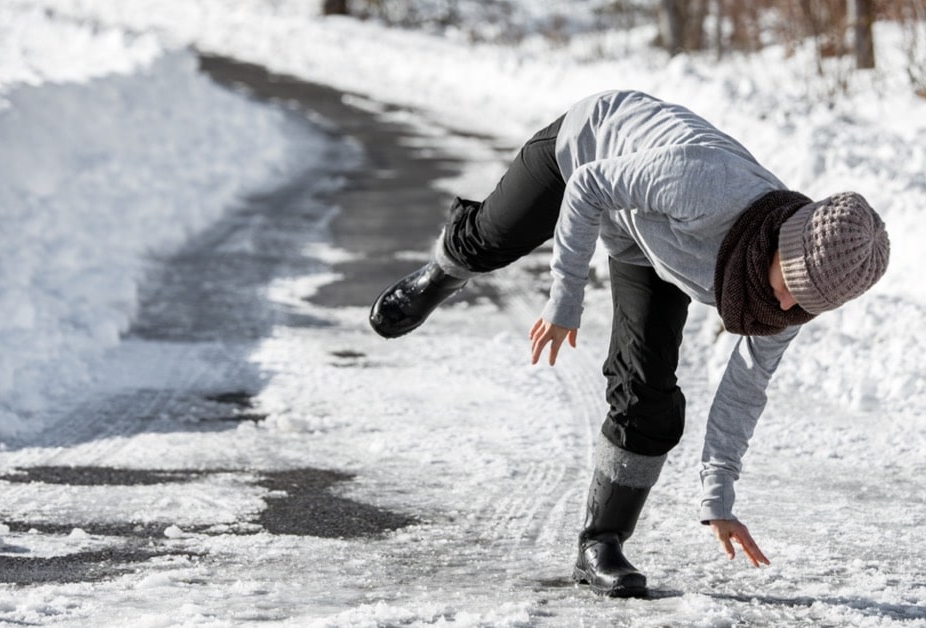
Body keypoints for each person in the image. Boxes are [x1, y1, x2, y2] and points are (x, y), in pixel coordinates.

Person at [369, 90, 889, 598]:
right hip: (589, 151)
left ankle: (601, 542)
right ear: (782, 241)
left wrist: (719, 498)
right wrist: (565, 300)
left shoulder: (788, 305)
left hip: (650, 238)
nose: (783, 305)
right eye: (788, 283)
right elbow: (589, 186)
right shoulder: (708, 185)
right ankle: (442, 272)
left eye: (803, 303)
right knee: (489, 242)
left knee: (647, 394)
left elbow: (744, 391)